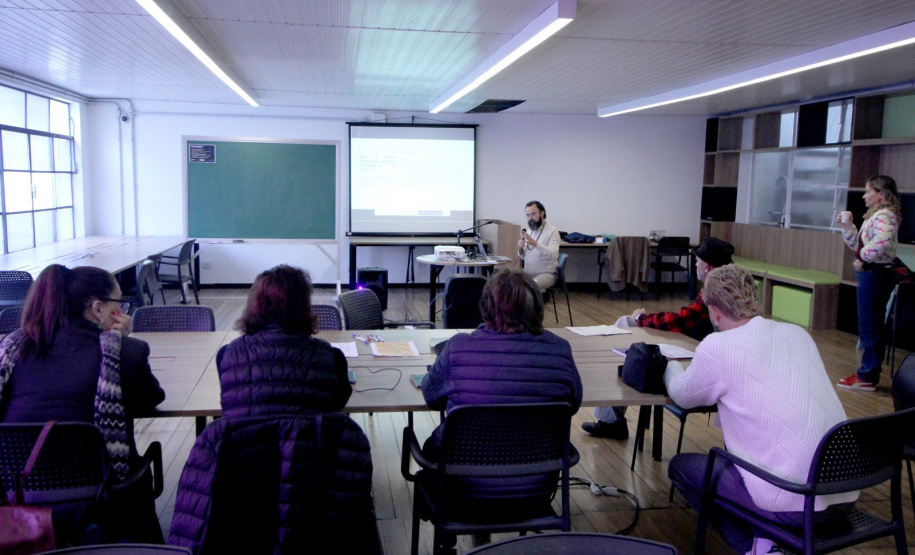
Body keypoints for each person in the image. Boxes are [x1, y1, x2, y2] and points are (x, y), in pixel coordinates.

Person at [665, 265, 856, 555]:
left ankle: (758, 548)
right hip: (846, 494)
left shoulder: (718, 345)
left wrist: (670, 366)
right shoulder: (798, 335)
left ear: (714, 311)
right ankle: (767, 539)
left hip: (796, 504)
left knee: (682, 468)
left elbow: (683, 394)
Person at [0, 264, 166, 543]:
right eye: (119, 303)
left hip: (18, 491)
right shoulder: (126, 353)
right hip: (100, 494)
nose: (123, 310)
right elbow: (151, 399)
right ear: (98, 309)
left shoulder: (11, 350)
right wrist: (122, 342)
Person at [581, 237, 734, 439]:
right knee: (625, 323)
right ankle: (610, 418)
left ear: (706, 267)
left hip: (690, 352)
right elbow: (684, 318)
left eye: (697, 260)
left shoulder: (714, 293)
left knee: (626, 330)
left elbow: (680, 321)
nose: (695, 263)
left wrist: (644, 318)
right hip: (691, 343)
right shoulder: (727, 288)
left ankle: (610, 420)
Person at [216, 264, 351, 417]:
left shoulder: (227, 354)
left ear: (255, 304)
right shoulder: (330, 356)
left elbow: (229, 402)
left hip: (248, 440)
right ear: (305, 305)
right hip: (309, 439)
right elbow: (337, 404)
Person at [836, 175, 901, 392]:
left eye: (868, 191)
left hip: (875, 274)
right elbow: (858, 244)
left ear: (880, 194)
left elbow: (882, 244)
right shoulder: (876, 216)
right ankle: (867, 372)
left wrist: (863, 259)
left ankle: (868, 376)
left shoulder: (885, 215)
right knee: (868, 324)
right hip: (871, 273)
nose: (864, 196)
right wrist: (848, 227)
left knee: (871, 325)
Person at [517, 200, 561, 292]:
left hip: (547, 274)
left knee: (532, 286)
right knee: (510, 282)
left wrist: (535, 244)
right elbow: (523, 257)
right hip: (528, 273)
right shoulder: (530, 231)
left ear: (542, 213)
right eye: (528, 215)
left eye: (533, 214)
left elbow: (554, 255)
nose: (530, 218)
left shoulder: (552, 231)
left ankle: (536, 305)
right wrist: (521, 248)